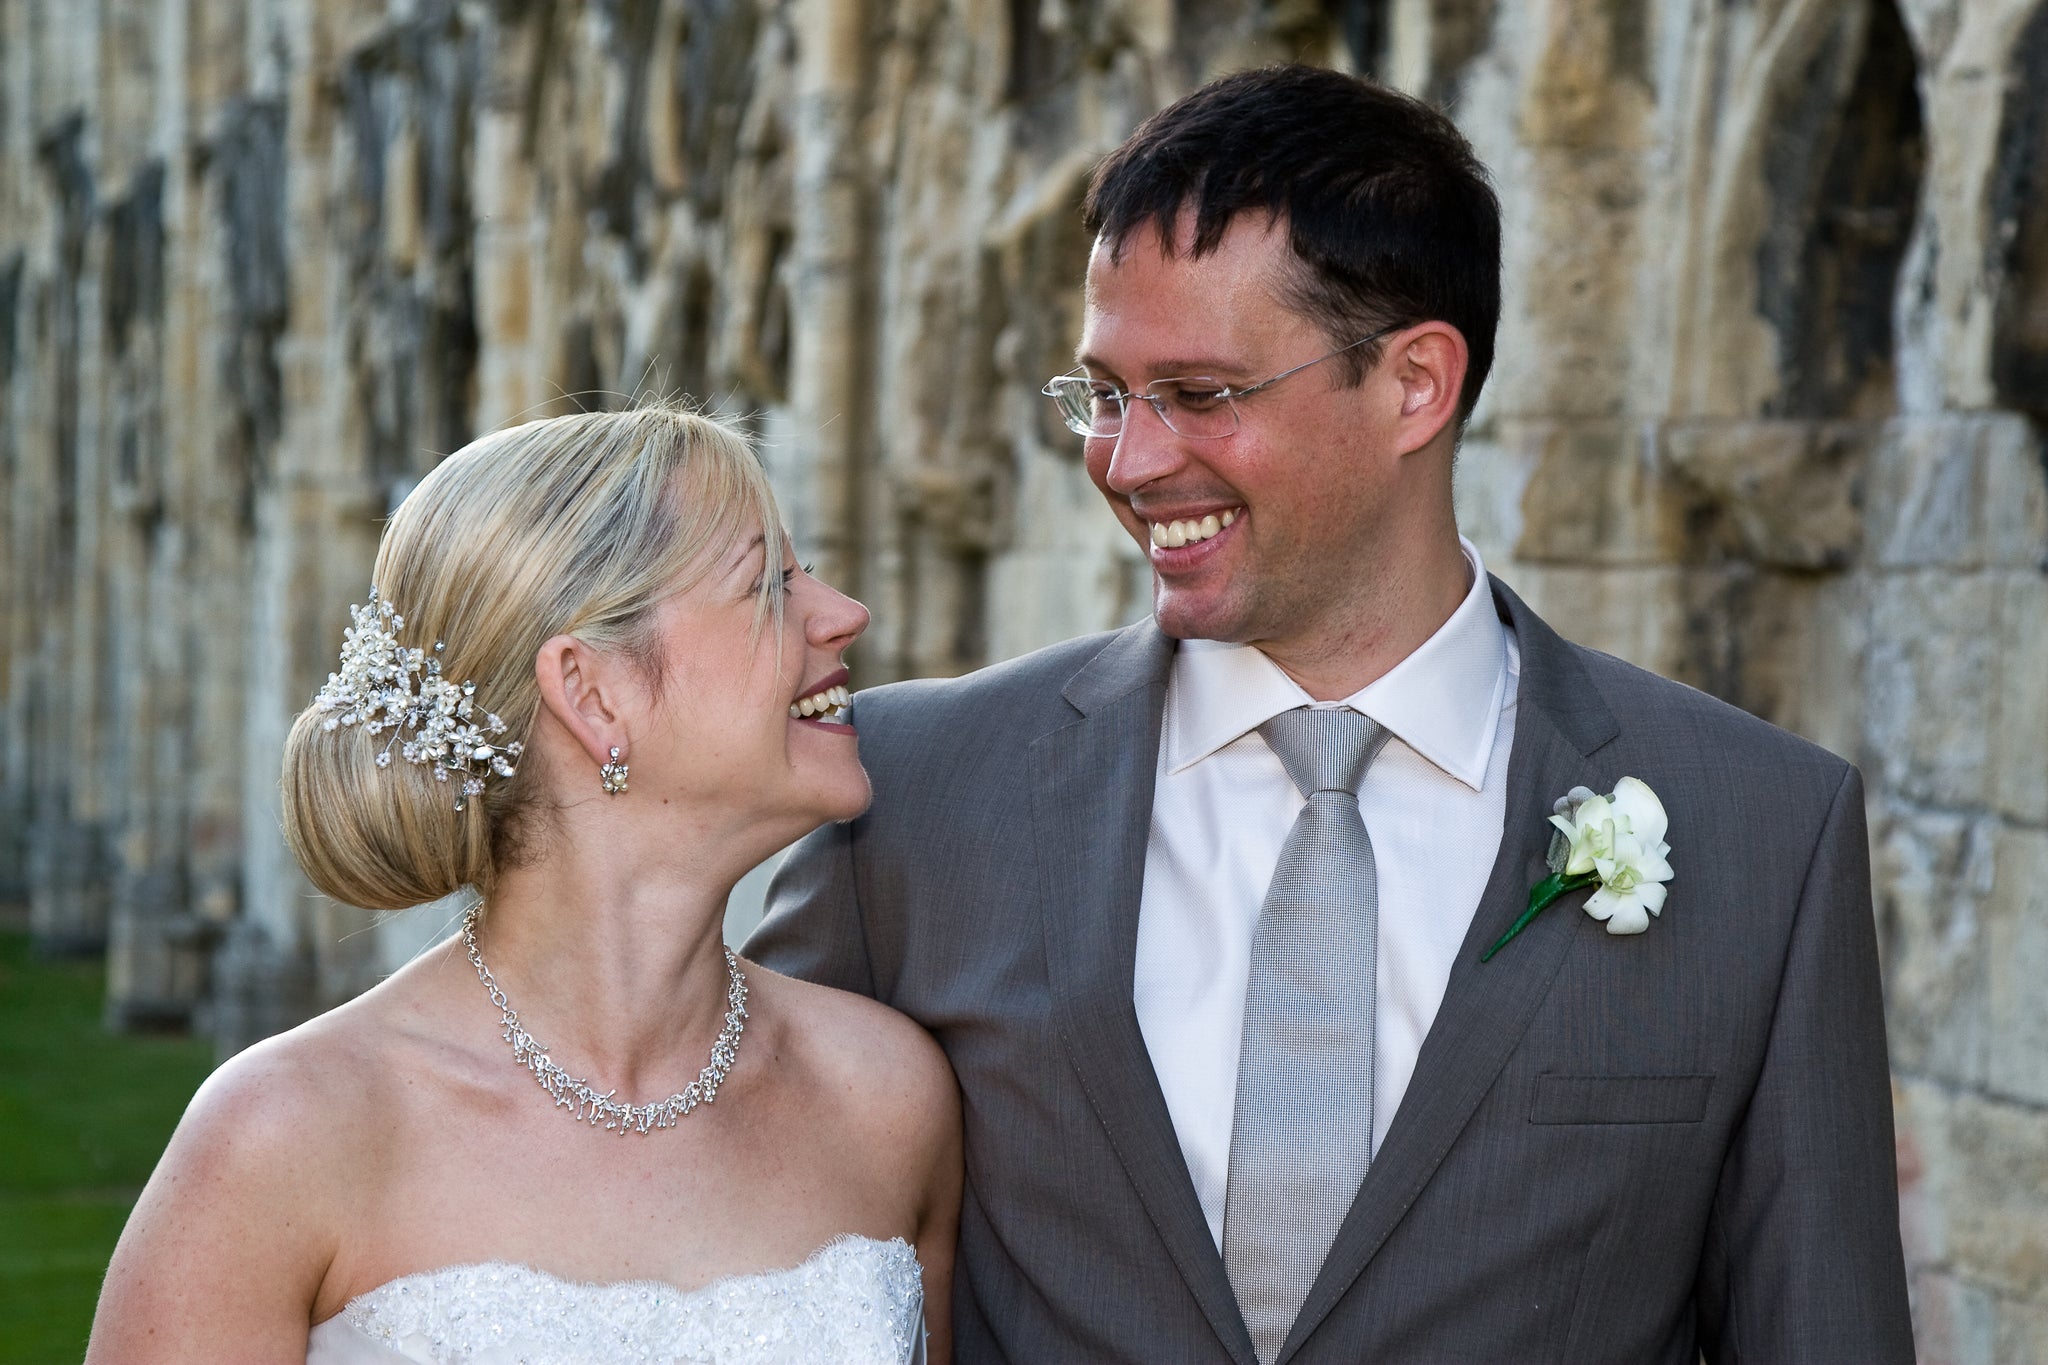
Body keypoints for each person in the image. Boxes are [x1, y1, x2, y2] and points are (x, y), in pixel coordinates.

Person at [748, 64, 1913, 1364]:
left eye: (1200, 394)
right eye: (1104, 394)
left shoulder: (1764, 833)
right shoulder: (913, 798)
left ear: (1416, 383)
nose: (1126, 462)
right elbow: (736, 1243)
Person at [88, 405, 960, 1364]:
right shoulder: (286, 1137)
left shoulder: (886, 1101)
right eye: (769, 586)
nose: (843, 613)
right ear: (591, 693)